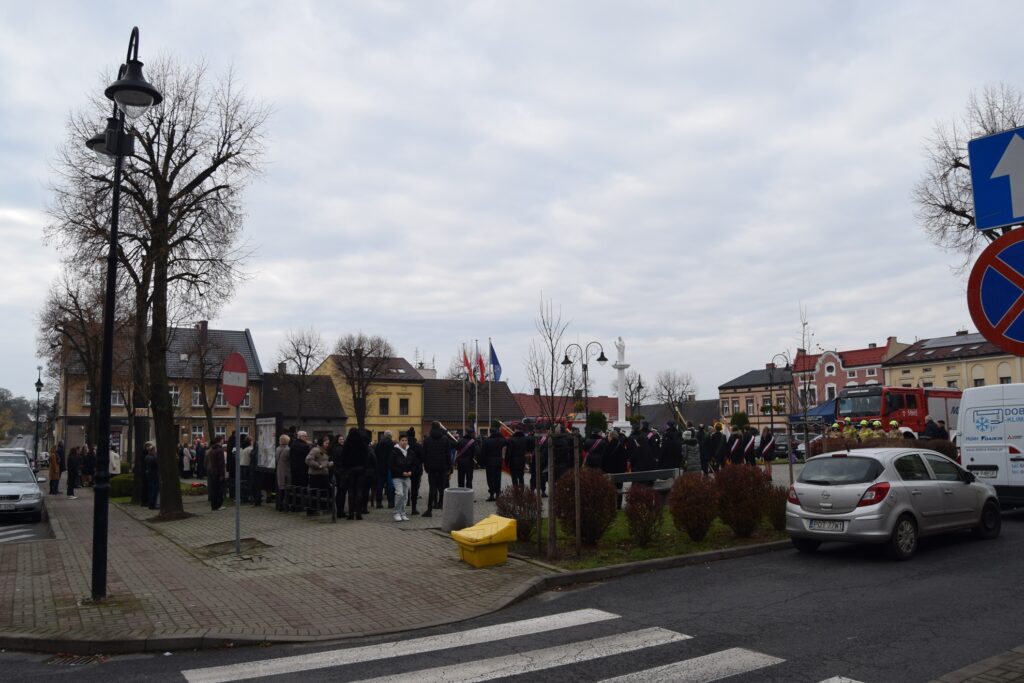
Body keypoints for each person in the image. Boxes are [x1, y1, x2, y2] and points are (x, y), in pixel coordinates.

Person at [421, 422, 451, 517]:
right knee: (442, 488)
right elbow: (448, 454)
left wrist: (426, 467)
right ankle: (443, 507)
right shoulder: (445, 439)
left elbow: (424, 455)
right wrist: (450, 468)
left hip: (431, 468)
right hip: (443, 467)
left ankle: (429, 510)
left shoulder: (427, 440)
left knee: (432, 488)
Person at [339, 428, 366, 520]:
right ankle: (358, 513)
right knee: (359, 491)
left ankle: (351, 514)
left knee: (351, 491)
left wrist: (345, 469)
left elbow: (343, 458)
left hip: (350, 470)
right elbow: (366, 456)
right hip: (361, 469)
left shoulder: (347, 444)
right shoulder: (362, 444)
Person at [305, 435, 334, 516]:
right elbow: (308, 460)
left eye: (328, 443)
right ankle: (311, 511)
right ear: (321, 443)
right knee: (314, 492)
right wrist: (318, 466)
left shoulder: (324, 451)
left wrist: (329, 464)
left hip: (323, 475)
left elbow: (324, 462)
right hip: (315, 475)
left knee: (326, 491)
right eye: (326, 443)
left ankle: (324, 508)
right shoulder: (315, 450)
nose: (327, 445)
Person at [390, 433, 413, 522]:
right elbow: (392, 465)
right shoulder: (394, 452)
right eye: (402, 440)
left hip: (407, 477)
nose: (404, 442)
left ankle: (402, 513)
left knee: (405, 496)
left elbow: (413, 463)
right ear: (399, 441)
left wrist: (411, 471)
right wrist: (401, 472)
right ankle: (396, 512)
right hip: (397, 477)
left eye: (406, 440)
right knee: (399, 494)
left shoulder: (410, 451)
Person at [481, 427, 507, 501]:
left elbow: (483, 452)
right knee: (497, 479)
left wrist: (482, 463)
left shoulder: (487, 441)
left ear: (490, 432)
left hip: (489, 462)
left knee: (490, 479)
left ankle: (491, 494)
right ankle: (498, 494)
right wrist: (500, 435)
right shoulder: (501, 440)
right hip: (498, 462)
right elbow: (506, 441)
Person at [373, 431, 395, 508]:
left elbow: (375, 454)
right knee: (390, 486)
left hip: (380, 467)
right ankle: (390, 503)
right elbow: (393, 456)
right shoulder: (392, 444)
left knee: (379, 486)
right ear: (390, 436)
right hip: (389, 467)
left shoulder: (378, 444)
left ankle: (379, 503)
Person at [405, 427, 424, 515]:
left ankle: (404, 505)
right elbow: (422, 458)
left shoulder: (404, 445)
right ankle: (414, 508)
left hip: (405, 469)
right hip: (416, 469)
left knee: (404, 487)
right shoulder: (418, 446)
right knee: (415, 488)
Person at [209, 435, 227, 511]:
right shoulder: (220, 450)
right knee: (219, 489)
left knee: (214, 489)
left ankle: (213, 505)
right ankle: (218, 505)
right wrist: (222, 474)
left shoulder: (212, 449)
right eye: (222, 440)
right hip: (218, 473)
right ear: (220, 440)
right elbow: (221, 463)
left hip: (213, 471)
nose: (223, 441)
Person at [275, 433, 291, 511]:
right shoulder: (288, 449)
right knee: (287, 488)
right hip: (286, 470)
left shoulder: (277, 449)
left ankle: (280, 505)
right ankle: (286, 505)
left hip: (279, 470)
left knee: (281, 488)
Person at [144, 441, 160, 510]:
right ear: (152, 450)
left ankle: (150, 504)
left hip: (150, 475)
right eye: (154, 450)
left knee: (150, 490)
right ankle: (153, 504)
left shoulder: (147, 457)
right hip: (154, 475)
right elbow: (157, 463)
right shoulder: (153, 457)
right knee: (154, 490)